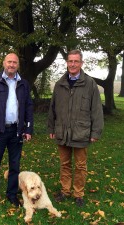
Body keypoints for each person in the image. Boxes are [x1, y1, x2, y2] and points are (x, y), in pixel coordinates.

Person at [48, 49, 104, 207]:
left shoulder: (90, 84)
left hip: (81, 132)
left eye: (76, 61)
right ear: (67, 63)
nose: (72, 64)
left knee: (80, 165)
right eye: (70, 61)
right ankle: (65, 191)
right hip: (62, 131)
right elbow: (53, 108)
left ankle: (78, 193)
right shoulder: (60, 84)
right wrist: (51, 128)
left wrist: (95, 132)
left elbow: (97, 110)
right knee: (64, 164)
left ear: (81, 63)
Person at [0, 53, 34, 207]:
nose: (11, 65)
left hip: (16, 131)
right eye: (9, 62)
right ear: (4, 63)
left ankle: (12, 194)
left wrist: (28, 129)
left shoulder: (23, 84)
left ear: (18, 65)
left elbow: (29, 107)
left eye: (14, 62)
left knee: (15, 166)